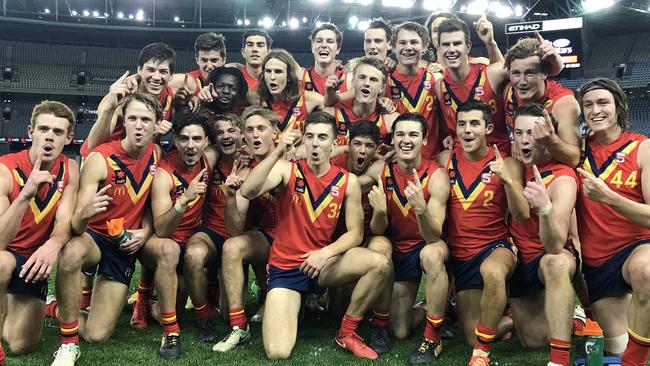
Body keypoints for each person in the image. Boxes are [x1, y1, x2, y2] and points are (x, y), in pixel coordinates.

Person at [239, 111, 391, 360]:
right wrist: (277, 152)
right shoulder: (286, 170)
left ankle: (347, 333)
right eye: (309, 136)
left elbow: (356, 233)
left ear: (334, 143)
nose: (315, 143)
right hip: (286, 267)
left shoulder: (348, 181)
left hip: (323, 265)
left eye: (322, 137)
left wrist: (325, 253)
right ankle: (297, 305)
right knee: (278, 352)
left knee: (380, 263)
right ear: (303, 141)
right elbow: (247, 191)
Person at [49, 93, 162, 366]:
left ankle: (52, 307)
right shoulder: (101, 158)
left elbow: (150, 204)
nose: (138, 125)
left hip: (123, 246)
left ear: (157, 125)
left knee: (97, 335)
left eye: (145, 120)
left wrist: (146, 232)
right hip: (94, 237)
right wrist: (86, 213)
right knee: (72, 253)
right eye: (132, 118)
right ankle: (68, 344)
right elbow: (76, 226)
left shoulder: (157, 154)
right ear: (123, 119)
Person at [437, 100, 528, 366]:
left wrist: (508, 180)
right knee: (469, 334)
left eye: (474, 124)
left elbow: (521, 214)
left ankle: (481, 354)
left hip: (496, 247)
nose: (467, 130)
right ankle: (515, 317)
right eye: (462, 124)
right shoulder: (446, 160)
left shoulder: (507, 163)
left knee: (492, 272)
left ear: (488, 128)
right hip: (461, 256)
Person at [361, 112, 451, 362]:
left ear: (424, 141)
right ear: (393, 138)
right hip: (394, 248)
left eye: (413, 134)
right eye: (400, 134)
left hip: (423, 245)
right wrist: (379, 210)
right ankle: (385, 325)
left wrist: (420, 209)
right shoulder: (381, 171)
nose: (406, 140)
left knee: (433, 254)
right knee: (399, 331)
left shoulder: (436, 176)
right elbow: (348, 184)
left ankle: (432, 338)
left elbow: (433, 236)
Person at [575, 78, 650, 365]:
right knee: (617, 348)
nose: (596, 110)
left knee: (646, 271)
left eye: (603, 102)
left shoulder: (642, 148)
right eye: (589, 104)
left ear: (618, 106)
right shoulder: (578, 152)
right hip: (598, 263)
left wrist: (610, 198)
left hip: (636, 247)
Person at [0, 101, 79, 364]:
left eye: (58, 132)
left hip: (32, 263)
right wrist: (24, 195)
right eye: (43, 129)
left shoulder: (70, 169)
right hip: (5, 255)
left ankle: (34, 303)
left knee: (21, 345)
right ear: (30, 130)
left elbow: (64, 223)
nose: (49, 136)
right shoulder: (5, 169)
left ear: (68, 138)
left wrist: (52, 245)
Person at [134, 113, 217, 352]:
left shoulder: (209, 158)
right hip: (161, 244)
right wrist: (184, 199)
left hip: (190, 241)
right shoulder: (163, 173)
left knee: (175, 310)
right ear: (176, 141)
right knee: (170, 249)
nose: (191, 145)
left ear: (206, 142)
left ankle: (149, 304)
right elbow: (162, 229)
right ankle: (170, 333)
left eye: (197, 139)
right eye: (184, 139)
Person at [508, 103, 580, 366]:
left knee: (556, 262)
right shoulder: (515, 164)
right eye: (519, 132)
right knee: (532, 341)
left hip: (545, 256)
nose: (525, 139)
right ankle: (569, 315)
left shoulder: (563, 177)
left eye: (533, 133)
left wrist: (545, 208)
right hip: (520, 261)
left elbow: (554, 244)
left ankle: (560, 359)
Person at [213, 107, 280, 352]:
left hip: (298, 242)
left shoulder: (293, 159)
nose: (255, 135)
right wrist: (231, 196)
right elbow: (234, 229)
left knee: (296, 318)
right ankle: (239, 327)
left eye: (261, 129)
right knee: (233, 246)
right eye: (249, 130)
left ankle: (285, 296)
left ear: (274, 133)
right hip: (268, 236)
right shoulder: (243, 168)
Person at [183, 113, 247, 341]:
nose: (226, 136)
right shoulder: (211, 158)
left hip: (243, 238)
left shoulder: (256, 160)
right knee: (192, 256)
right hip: (211, 232)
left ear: (241, 133)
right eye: (219, 132)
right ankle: (204, 315)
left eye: (231, 130)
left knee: (229, 311)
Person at [81, 43, 177, 156]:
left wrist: (193, 99)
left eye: (163, 72)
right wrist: (110, 108)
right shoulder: (121, 95)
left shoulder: (170, 94)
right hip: (105, 160)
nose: (156, 77)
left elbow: (189, 81)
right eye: (150, 70)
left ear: (171, 76)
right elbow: (94, 145)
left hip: (136, 159)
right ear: (140, 70)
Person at [434, 16, 510, 153]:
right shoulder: (439, 86)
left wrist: (490, 43)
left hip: (498, 157)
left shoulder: (489, 73)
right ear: (438, 48)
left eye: (457, 43)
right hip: (461, 162)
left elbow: (517, 70)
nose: (451, 49)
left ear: (468, 47)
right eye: (446, 44)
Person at [503, 36, 580, 167]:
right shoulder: (506, 90)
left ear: (545, 74)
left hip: (550, 171)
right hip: (521, 165)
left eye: (530, 73)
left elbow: (573, 159)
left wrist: (550, 141)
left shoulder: (563, 103)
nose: (522, 82)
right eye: (516, 73)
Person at [386, 21, 440, 159]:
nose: (408, 47)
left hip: (432, 160)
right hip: (397, 161)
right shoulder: (384, 80)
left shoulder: (436, 78)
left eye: (414, 42)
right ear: (393, 47)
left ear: (424, 47)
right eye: (402, 43)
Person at [325, 56, 398, 149]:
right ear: (353, 82)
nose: (366, 83)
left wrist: (397, 153)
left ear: (381, 88)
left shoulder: (390, 121)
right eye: (362, 77)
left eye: (373, 80)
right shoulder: (332, 115)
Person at [257, 49, 324, 136]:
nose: (272, 77)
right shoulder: (256, 99)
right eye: (268, 71)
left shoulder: (311, 100)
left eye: (278, 72)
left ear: (289, 76)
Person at [302, 23, 347, 95]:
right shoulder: (299, 79)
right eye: (319, 41)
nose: (324, 45)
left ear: (338, 49)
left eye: (330, 41)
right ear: (312, 47)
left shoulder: (349, 80)